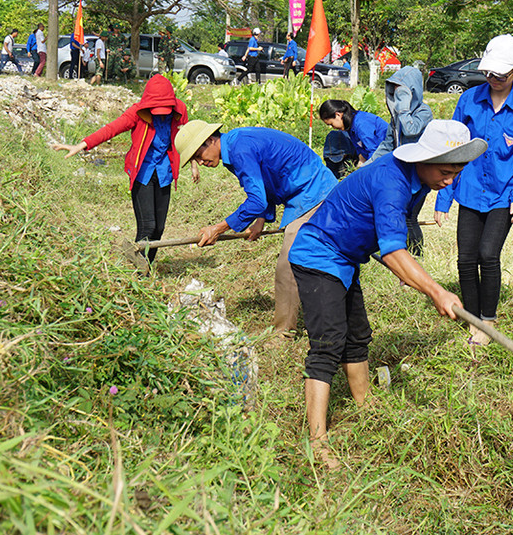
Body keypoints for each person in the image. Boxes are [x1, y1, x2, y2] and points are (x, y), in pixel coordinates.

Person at [288, 120, 486, 467]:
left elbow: (385, 236)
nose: (449, 180)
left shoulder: (420, 181)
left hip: (346, 258)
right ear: (423, 160)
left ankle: (365, 405)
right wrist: (435, 290)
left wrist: (407, 271)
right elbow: (394, 250)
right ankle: (317, 443)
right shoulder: (391, 181)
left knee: (358, 335)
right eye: (445, 171)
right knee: (328, 343)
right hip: (318, 255)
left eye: (456, 172)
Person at [178, 121, 337, 334]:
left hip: (314, 192)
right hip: (302, 192)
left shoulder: (239, 149)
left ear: (209, 140)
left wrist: (218, 228)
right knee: (310, 259)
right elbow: (266, 181)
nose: (201, 162)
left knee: (290, 263)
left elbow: (256, 200)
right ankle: (323, 313)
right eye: (196, 160)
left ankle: (283, 333)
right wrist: (260, 221)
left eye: (199, 155)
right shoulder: (233, 145)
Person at [434, 34, 513, 344]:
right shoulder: (468, 100)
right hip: (469, 189)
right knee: (466, 258)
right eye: (489, 73)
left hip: (504, 193)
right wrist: (444, 197)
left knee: (487, 254)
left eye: (501, 74)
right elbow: (452, 152)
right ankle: (472, 316)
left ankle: (488, 319)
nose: (493, 79)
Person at [52, 74, 189, 265]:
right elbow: (111, 129)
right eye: (157, 110)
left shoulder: (179, 110)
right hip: (143, 172)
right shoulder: (137, 113)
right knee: (147, 227)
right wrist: (82, 145)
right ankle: (138, 272)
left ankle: (146, 267)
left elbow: (186, 138)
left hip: (165, 172)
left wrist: (194, 163)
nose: (161, 114)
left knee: (159, 228)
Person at [366, 65, 434, 255]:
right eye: (395, 93)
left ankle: (416, 256)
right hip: (401, 174)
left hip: (419, 174)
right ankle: (401, 255)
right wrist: (368, 165)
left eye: (402, 92)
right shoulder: (395, 119)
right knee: (400, 214)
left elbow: (412, 130)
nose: (398, 97)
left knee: (411, 217)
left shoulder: (424, 112)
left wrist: (403, 109)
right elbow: (388, 144)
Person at [318, 99, 386, 178]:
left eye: (331, 124)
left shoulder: (361, 123)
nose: (333, 127)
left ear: (338, 115)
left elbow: (374, 153)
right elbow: (361, 151)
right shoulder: (350, 126)